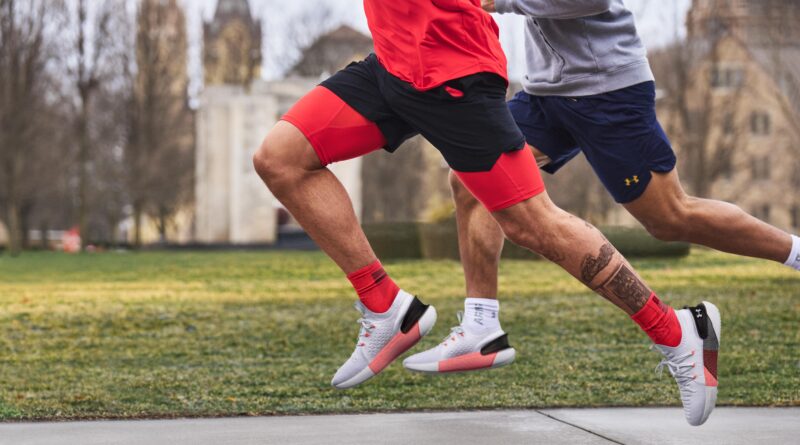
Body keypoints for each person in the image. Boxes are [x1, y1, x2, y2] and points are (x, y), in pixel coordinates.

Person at [252, 0, 720, 426]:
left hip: (451, 70)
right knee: (281, 158)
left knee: (533, 224)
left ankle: (675, 330)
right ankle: (387, 307)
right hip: (393, 62)